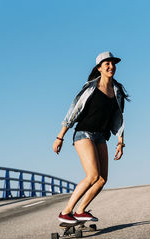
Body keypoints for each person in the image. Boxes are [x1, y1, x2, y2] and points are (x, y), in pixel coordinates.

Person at [52, 51, 129, 223]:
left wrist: (120, 142)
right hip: (83, 133)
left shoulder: (117, 91)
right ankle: (65, 212)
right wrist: (60, 137)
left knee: (102, 179)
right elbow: (73, 112)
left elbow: (118, 118)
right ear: (99, 68)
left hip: (101, 136)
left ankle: (80, 210)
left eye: (113, 63)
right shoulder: (90, 88)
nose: (111, 66)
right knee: (93, 176)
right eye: (107, 64)